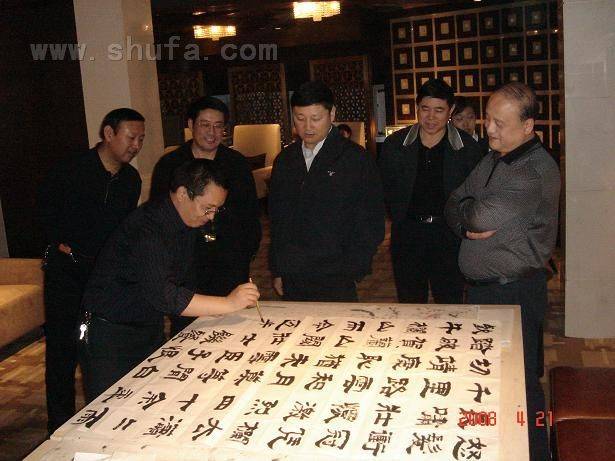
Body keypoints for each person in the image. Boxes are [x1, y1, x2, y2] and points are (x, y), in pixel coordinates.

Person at [445, 82, 560, 461]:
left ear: (528, 126)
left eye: (500, 123)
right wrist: (464, 224)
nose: (489, 129)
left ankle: (537, 453)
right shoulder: (496, 156)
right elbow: (454, 201)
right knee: (488, 377)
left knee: (522, 382)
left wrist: (467, 214)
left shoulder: (531, 171)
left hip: (514, 292)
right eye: (488, 119)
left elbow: (478, 214)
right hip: (486, 290)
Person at [81, 159, 260, 402]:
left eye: (216, 209)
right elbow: (165, 295)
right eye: (207, 208)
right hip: (110, 333)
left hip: (147, 325)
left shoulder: (185, 221)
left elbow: (186, 278)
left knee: (146, 401)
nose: (211, 217)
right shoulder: (148, 228)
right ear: (183, 194)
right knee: (110, 408)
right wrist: (227, 303)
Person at [37, 108, 145, 433]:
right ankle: (59, 424)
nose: (136, 146)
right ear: (109, 134)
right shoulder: (70, 170)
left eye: (141, 139)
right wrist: (58, 243)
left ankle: (103, 416)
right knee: (62, 351)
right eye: (131, 137)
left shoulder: (131, 180)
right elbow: (43, 212)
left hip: (104, 277)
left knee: (101, 346)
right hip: (67, 274)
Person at [150, 96, 261, 336]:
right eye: (205, 125)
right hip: (186, 260)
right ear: (191, 124)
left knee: (234, 326)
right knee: (188, 329)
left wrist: (246, 252)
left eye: (218, 126)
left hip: (229, 260)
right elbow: (160, 215)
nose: (212, 132)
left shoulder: (237, 164)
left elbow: (251, 214)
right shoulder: (170, 164)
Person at [269, 81, 384, 302]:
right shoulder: (285, 160)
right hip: (293, 270)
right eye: (300, 118)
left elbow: (371, 220)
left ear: (332, 114)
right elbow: (278, 220)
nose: (307, 126)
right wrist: (278, 268)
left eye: (315, 118)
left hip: (336, 273)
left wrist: (354, 269)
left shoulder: (355, 159)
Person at [379, 78, 482, 304]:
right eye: (425, 109)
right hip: (408, 234)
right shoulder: (395, 145)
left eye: (439, 110)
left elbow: (475, 196)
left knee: (449, 302)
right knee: (410, 303)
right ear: (417, 108)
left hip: (448, 235)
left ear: (450, 111)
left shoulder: (467, 148)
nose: (431, 117)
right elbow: (385, 190)